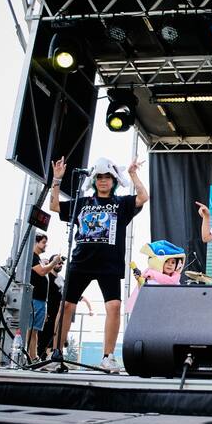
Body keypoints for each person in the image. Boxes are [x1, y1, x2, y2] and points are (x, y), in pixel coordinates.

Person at [50, 156, 149, 373]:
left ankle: (108, 357)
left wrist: (132, 174)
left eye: (107, 177)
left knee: (113, 307)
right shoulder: (83, 202)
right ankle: (55, 354)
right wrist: (57, 180)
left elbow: (143, 197)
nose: (103, 180)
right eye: (99, 177)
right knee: (66, 306)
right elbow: (54, 206)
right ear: (94, 180)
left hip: (109, 264)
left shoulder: (121, 203)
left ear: (114, 181)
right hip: (81, 262)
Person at [37, 254, 94, 359]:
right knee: (44, 340)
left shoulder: (62, 280)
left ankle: (52, 358)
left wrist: (90, 308)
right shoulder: (47, 277)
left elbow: (77, 296)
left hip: (59, 314)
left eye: (61, 264)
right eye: (58, 263)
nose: (60, 265)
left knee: (55, 340)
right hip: (48, 314)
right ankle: (41, 359)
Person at [125, 240, 185, 313]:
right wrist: (139, 280)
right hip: (153, 310)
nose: (170, 264)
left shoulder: (175, 279)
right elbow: (144, 293)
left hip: (170, 311)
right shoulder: (151, 276)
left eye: (173, 262)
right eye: (166, 261)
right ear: (159, 262)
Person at [29, 235, 62, 361]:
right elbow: (42, 272)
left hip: (41, 300)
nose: (45, 245)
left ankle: (34, 356)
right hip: (35, 299)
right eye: (43, 242)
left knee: (35, 330)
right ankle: (31, 356)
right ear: (36, 243)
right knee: (31, 330)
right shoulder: (32, 257)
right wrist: (54, 262)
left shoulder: (38, 259)